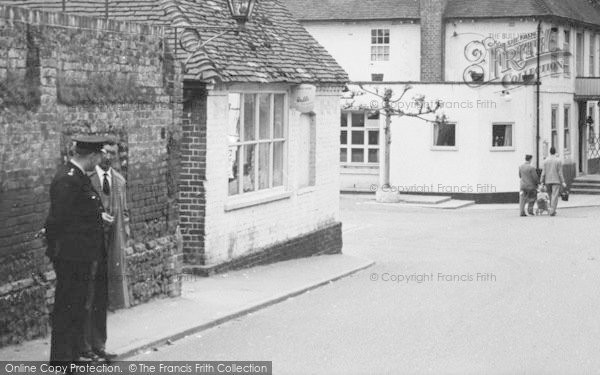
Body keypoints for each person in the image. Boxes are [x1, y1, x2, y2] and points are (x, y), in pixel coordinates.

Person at [44, 135, 114, 365]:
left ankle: (72, 356)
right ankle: (63, 360)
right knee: (67, 306)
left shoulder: (78, 177)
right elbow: (60, 221)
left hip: (80, 255)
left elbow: (78, 213)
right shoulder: (68, 178)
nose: (98, 161)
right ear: (92, 156)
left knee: (76, 306)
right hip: (71, 256)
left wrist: (97, 216)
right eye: (98, 156)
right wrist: (57, 253)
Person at [82, 142, 130, 360]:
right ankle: (84, 347)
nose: (109, 156)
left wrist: (124, 240)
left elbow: (125, 214)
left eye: (113, 153)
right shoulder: (87, 180)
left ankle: (99, 345)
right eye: (106, 152)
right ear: (99, 154)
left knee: (102, 298)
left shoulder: (120, 181)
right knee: (87, 298)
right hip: (90, 248)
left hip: (110, 249)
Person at [541, 147, 567, 216]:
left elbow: (543, 172)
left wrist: (541, 181)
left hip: (547, 181)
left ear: (549, 152)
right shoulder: (558, 160)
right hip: (556, 181)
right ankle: (552, 211)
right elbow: (560, 172)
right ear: (555, 152)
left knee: (549, 196)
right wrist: (563, 181)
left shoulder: (545, 161)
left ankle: (551, 209)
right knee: (554, 196)